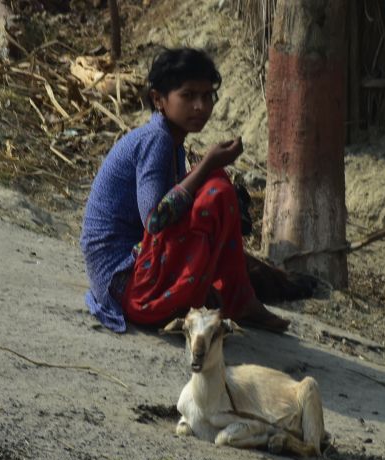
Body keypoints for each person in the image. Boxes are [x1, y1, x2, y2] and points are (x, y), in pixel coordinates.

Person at [80, 47, 290, 334]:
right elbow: (154, 220)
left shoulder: (170, 141)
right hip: (125, 285)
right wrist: (206, 166)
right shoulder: (156, 140)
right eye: (188, 96)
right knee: (215, 189)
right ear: (159, 100)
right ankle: (237, 300)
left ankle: (237, 297)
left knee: (214, 184)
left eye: (206, 96)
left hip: (130, 274)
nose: (200, 107)